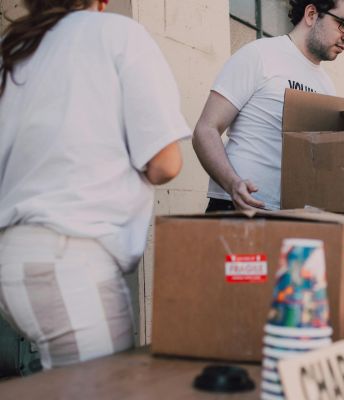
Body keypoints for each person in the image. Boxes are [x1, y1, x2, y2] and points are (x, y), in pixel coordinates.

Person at [0, 0, 190, 369]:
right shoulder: (117, 34)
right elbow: (166, 163)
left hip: (14, 259)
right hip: (71, 260)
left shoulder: (17, 50)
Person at [193, 0, 344, 212]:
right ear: (311, 14)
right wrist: (232, 184)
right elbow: (205, 130)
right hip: (237, 208)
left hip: (292, 215)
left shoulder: (326, 86)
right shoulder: (260, 55)